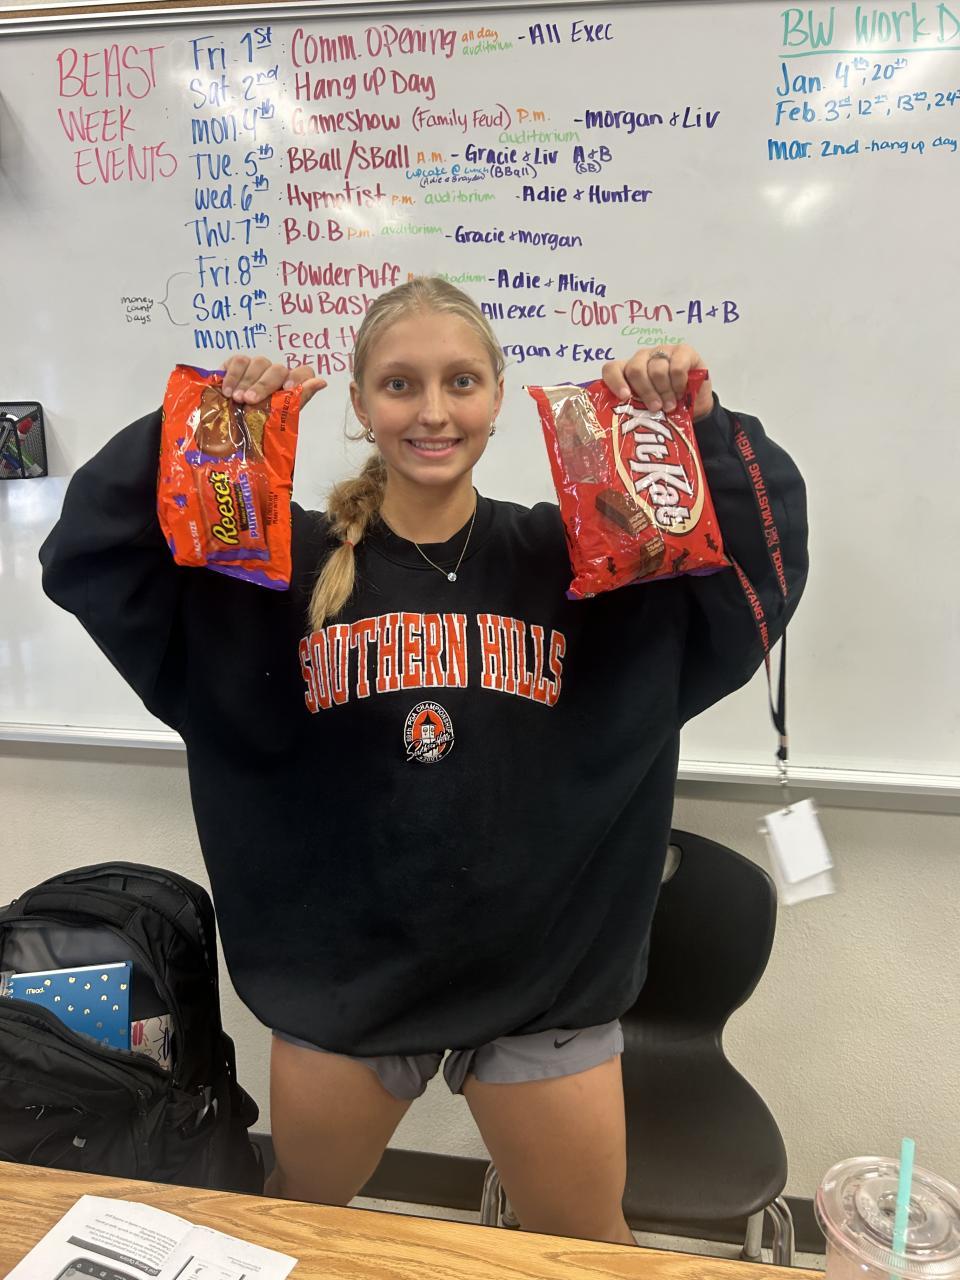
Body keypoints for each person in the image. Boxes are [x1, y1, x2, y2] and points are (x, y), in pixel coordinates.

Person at [39, 277, 807, 1246]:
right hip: (349, 985)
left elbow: (755, 573)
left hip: (544, 985)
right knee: (298, 1228)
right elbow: (91, 553)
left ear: (498, 396)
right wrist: (195, 424)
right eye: (400, 384)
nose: (433, 411)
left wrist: (700, 423)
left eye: (461, 381)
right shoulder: (274, 570)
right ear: (361, 403)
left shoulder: (589, 560)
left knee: (587, 1248)